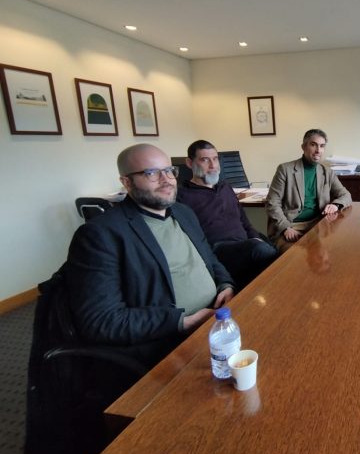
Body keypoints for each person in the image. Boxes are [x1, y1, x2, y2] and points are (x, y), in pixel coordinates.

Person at [65, 143, 235, 367]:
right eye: (152, 173)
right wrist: (182, 322)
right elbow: (101, 320)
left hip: (217, 320)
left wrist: (225, 284)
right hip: (169, 341)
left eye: (169, 171)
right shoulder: (100, 234)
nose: (166, 180)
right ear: (127, 182)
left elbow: (209, 258)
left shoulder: (183, 213)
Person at [177, 140, 278, 290]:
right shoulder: (182, 196)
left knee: (277, 249)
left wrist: (254, 236)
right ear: (190, 163)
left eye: (215, 159)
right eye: (205, 160)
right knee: (260, 249)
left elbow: (244, 220)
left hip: (244, 243)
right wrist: (256, 243)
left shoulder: (225, 187)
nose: (213, 166)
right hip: (218, 249)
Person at [266, 128, 352, 251]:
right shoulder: (285, 170)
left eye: (322, 146)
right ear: (303, 147)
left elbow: (346, 195)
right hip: (292, 226)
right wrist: (285, 228)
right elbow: (272, 203)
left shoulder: (327, 172)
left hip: (318, 225)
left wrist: (335, 205)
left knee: (337, 249)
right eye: (313, 145)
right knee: (294, 255)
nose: (318, 150)